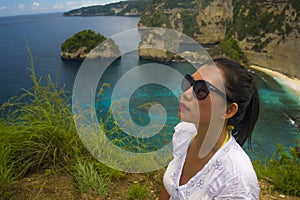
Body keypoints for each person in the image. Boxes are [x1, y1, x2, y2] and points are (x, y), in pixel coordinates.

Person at [159, 57, 260, 199]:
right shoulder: (185, 133)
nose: (186, 94)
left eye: (201, 89)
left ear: (228, 110)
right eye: (189, 82)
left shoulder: (236, 179)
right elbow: (170, 187)